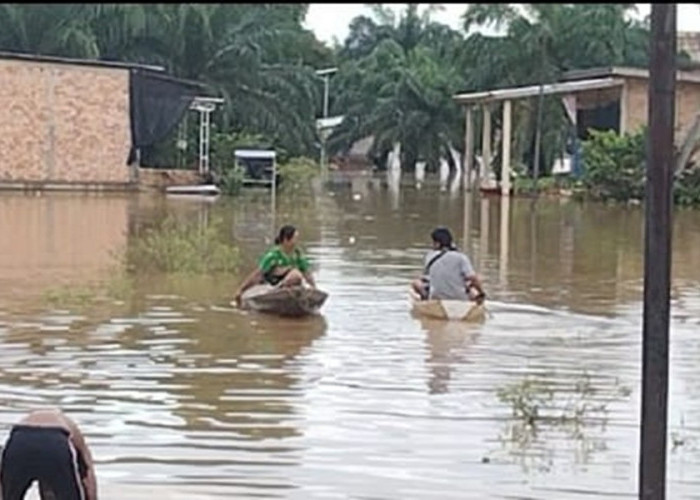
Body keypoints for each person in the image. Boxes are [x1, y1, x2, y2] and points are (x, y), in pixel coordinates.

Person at [0, 408, 98, 500]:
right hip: (55, 437)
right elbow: (89, 477)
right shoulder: (75, 435)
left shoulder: (34, 418)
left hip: (18, 439)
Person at [234, 225, 316, 305]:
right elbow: (258, 274)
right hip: (274, 283)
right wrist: (241, 290)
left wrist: (314, 288)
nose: (297, 241)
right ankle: (280, 288)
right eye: (295, 238)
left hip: (292, 284)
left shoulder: (297, 254)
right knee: (295, 274)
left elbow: (306, 273)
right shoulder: (273, 255)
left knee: (297, 275)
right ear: (286, 239)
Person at [412, 226, 486, 303]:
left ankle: (425, 301)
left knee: (416, 283)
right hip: (460, 297)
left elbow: (428, 276)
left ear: (437, 243)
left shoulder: (429, 256)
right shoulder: (461, 257)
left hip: (436, 297)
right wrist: (481, 293)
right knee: (475, 281)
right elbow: (473, 278)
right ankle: (477, 302)